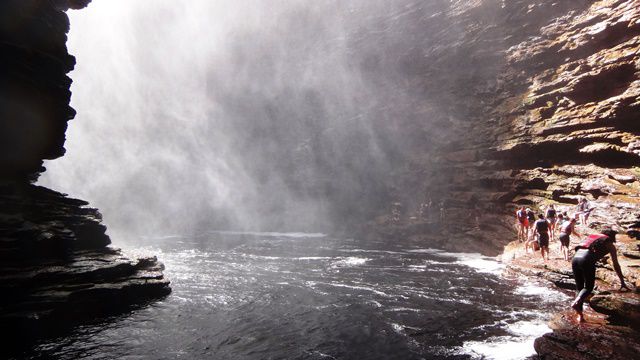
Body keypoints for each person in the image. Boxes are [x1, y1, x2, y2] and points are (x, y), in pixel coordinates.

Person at [571, 229, 629, 322]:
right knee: (588, 287)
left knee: (579, 288)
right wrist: (622, 282)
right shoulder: (609, 243)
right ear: (611, 236)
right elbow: (616, 264)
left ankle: (580, 315)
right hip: (587, 259)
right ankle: (576, 302)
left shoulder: (593, 237)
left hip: (575, 258)